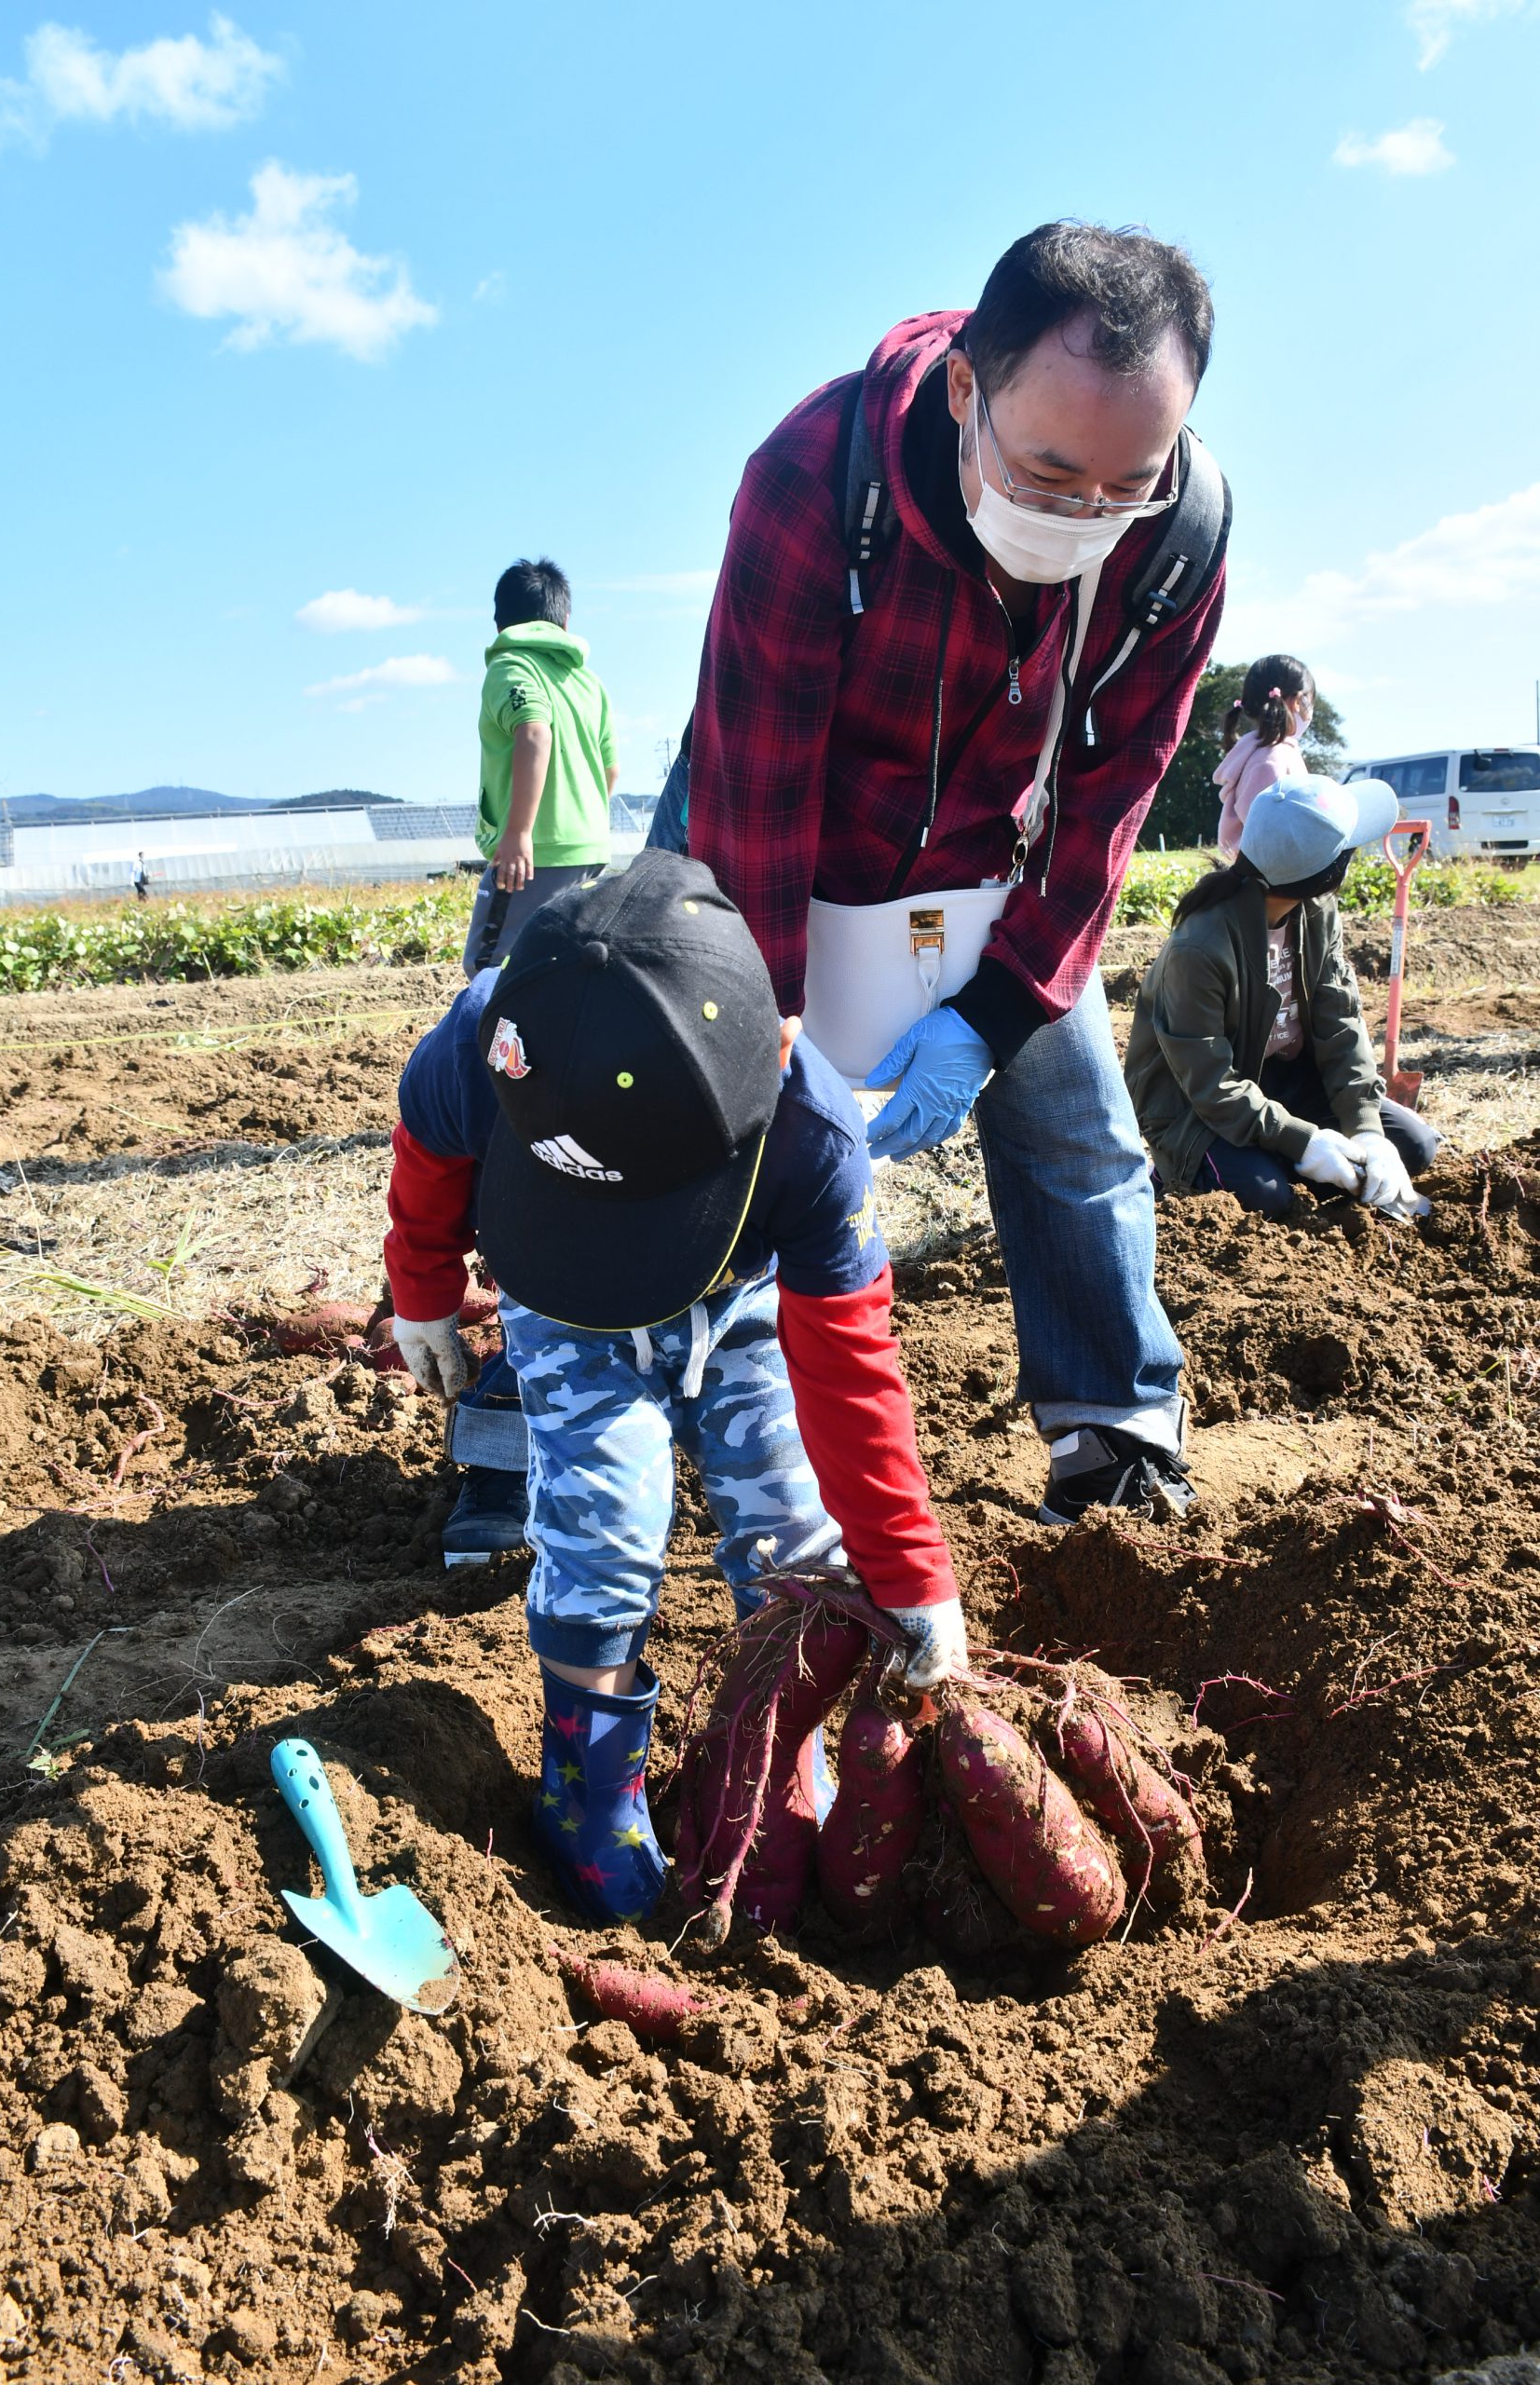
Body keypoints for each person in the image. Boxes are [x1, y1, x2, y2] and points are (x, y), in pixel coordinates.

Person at [650, 222, 1228, 1527]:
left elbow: (1106, 795)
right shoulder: (817, 480)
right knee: (698, 1121)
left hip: (984, 843)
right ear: (966, 387)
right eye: (1047, 470)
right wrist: (779, 1030)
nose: (1082, 514)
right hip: (777, 817)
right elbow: (757, 783)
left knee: (1076, 1125)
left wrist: (990, 1016)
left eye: (1120, 481)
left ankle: (1114, 1433)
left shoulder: (1176, 536)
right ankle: (654, 1409)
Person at [382, 851, 965, 1922]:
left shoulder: (808, 1130)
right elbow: (427, 1161)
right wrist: (420, 1290)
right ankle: (589, 1788)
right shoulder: (487, 1046)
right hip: (566, 1301)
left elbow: (849, 1366)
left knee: (790, 1523)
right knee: (603, 1524)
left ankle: (773, 1752)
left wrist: (910, 1567)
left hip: (739, 1294)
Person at [1125, 776, 1440, 1220]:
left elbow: (1340, 1024)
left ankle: (1284, 1153)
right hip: (1194, 1106)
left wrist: (1366, 1128)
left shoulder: (1317, 914)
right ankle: (1174, 1172)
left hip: (1284, 1080)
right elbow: (1210, 1083)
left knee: (1414, 1146)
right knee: (1267, 1198)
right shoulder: (1199, 948)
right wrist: (1302, 1140)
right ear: (1327, 872)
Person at [460, 557, 618, 981]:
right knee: (565, 965)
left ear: (499, 623)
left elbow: (533, 733)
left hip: (536, 853)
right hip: (589, 847)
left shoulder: (511, 667)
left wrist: (518, 834)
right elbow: (610, 768)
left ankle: (502, 1050)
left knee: (489, 967)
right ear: (565, 620)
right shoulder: (586, 680)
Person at [1215, 655, 1315, 860]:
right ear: (1298, 702)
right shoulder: (1270, 760)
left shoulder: (1272, 752)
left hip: (1267, 874)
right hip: (1268, 877)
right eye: (1310, 702)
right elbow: (1264, 830)